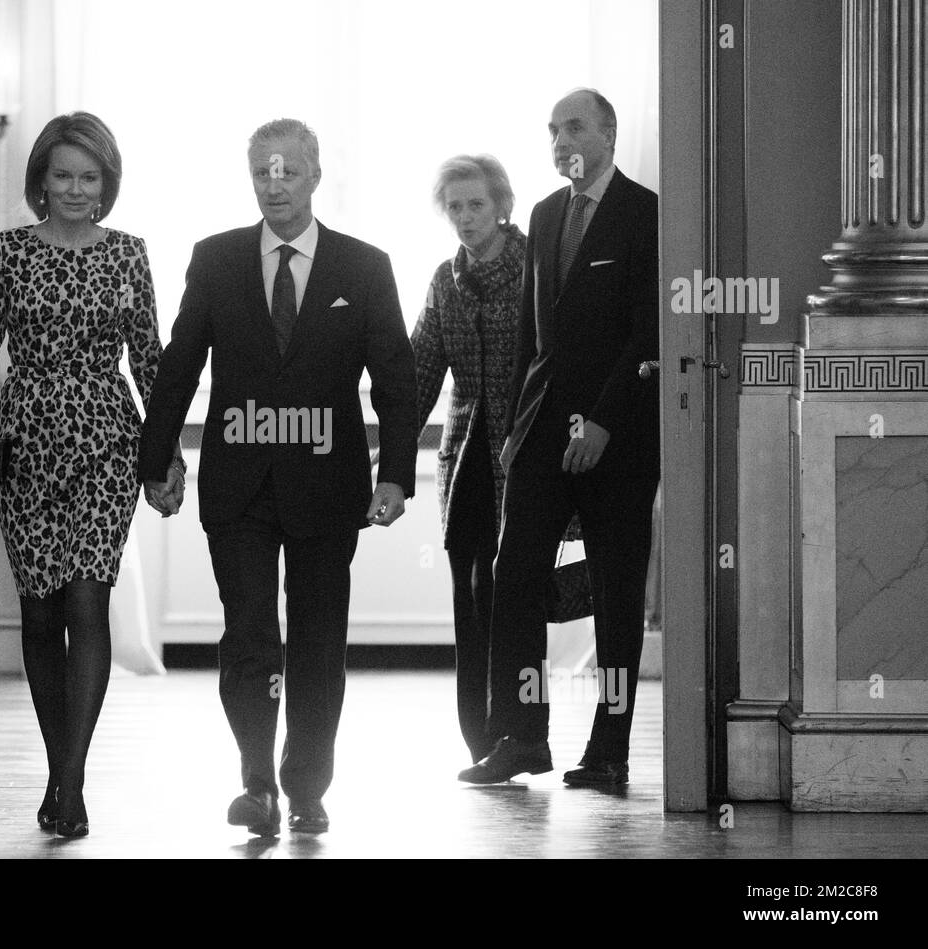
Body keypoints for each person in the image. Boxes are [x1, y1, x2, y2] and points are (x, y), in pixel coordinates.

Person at [138, 118, 417, 836]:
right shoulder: (217, 258)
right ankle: (257, 782)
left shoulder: (365, 265)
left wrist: (396, 477)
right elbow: (179, 365)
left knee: (320, 639)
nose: (275, 183)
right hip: (238, 486)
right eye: (263, 171)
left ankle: (308, 784)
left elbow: (396, 381)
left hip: (330, 486)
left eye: (288, 170)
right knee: (251, 634)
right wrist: (155, 459)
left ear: (316, 176)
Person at [0, 111, 183, 837]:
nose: (77, 189)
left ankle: (71, 782)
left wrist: (166, 451)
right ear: (41, 181)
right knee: (41, 611)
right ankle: (60, 768)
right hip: (25, 441)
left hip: (108, 440)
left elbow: (150, 360)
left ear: (106, 183)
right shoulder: (9, 251)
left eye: (90, 177)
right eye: (63, 176)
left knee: (88, 599)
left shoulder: (128, 254)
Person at [464, 88, 659, 788]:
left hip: (620, 437)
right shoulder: (546, 215)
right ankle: (521, 736)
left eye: (573, 125)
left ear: (607, 132)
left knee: (614, 592)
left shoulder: (647, 214)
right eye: (552, 129)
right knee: (512, 579)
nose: (560, 138)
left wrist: (604, 420)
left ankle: (609, 748)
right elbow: (531, 338)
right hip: (542, 432)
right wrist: (517, 431)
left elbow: (648, 334)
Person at [411, 154, 527, 768]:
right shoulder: (443, 278)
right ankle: (479, 737)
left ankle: (517, 733)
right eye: (453, 206)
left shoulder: (536, 266)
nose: (464, 217)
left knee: (509, 591)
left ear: (502, 205)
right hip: (464, 460)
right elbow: (420, 371)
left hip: (525, 452)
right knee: (468, 590)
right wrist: (390, 448)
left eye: (475, 204)